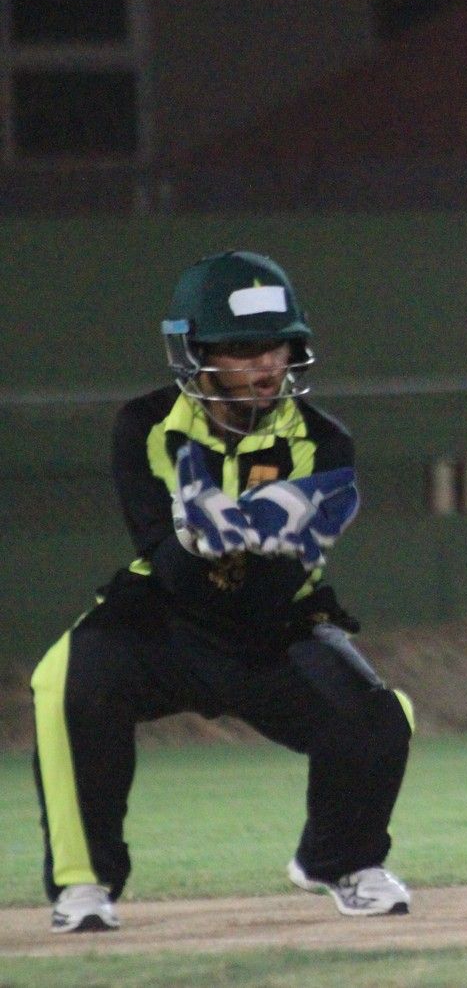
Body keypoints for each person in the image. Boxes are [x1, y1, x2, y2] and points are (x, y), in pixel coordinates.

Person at [30, 251, 413, 933]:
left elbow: (278, 585)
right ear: (197, 354)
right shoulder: (144, 425)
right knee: (67, 678)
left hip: (275, 628)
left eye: (276, 346)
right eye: (240, 349)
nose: (265, 366)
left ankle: (339, 860)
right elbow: (161, 558)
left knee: (379, 718)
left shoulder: (323, 441)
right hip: (162, 620)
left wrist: (247, 538)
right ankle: (86, 882)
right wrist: (198, 542)